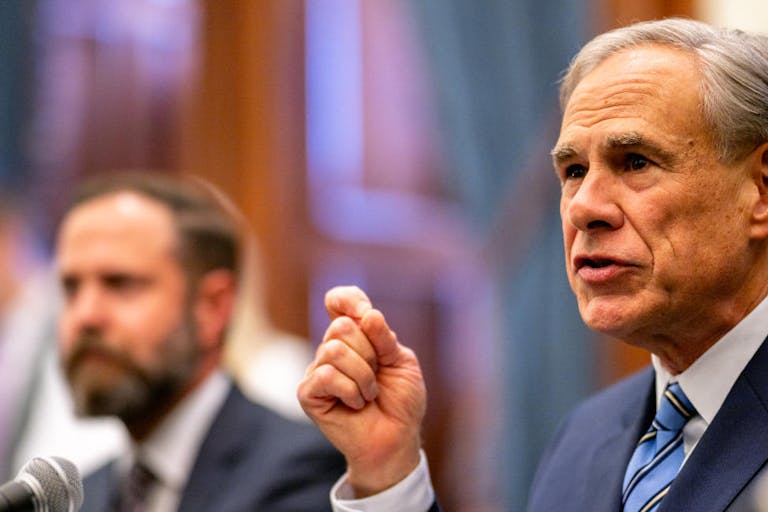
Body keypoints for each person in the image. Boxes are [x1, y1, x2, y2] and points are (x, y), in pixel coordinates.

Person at [297, 17, 768, 512]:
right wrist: (387, 474)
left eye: (635, 161)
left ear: (760, 189)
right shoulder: (584, 438)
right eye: (573, 171)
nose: (584, 206)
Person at [54, 171, 345, 511]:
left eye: (121, 284)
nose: (85, 316)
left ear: (213, 306)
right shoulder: (81, 495)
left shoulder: (300, 470)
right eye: (71, 288)